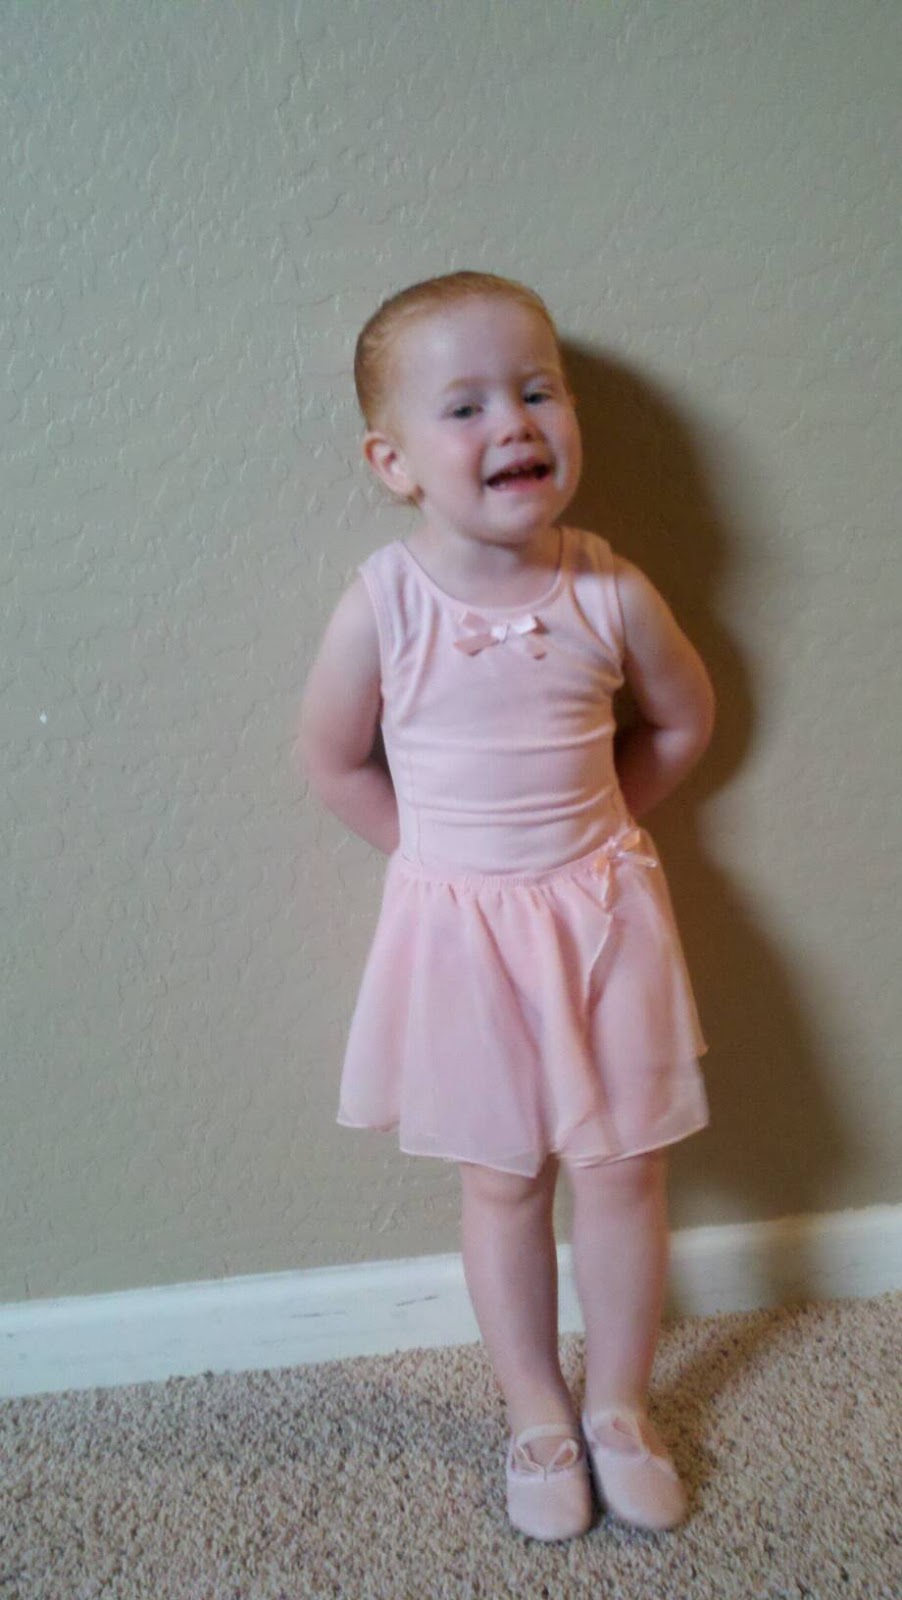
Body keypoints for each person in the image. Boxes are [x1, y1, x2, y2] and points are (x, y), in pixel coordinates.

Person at [300, 271, 715, 1542]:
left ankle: (619, 1405)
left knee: (623, 1169)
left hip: (602, 921)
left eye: (537, 392)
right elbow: (332, 760)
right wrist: (438, 864)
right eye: (466, 406)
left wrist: (600, 833)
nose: (514, 424)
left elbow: (682, 718)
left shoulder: (606, 590)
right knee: (502, 1181)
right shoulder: (384, 604)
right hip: (462, 937)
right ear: (394, 462)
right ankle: (535, 1410)